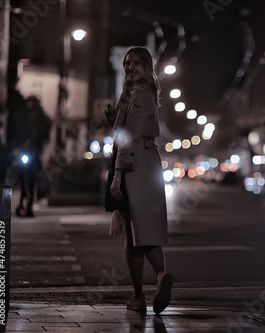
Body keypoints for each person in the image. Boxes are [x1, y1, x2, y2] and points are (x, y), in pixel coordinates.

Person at [105, 46, 172, 314]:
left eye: (136, 64)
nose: (130, 68)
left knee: (137, 234)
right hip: (143, 162)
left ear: (147, 68)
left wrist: (118, 174)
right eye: (127, 63)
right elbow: (126, 127)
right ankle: (149, 286)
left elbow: (129, 136)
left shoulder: (141, 95)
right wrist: (115, 114)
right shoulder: (135, 94)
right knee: (137, 233)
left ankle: (150, 285)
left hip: (135, 165)